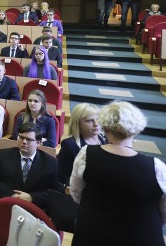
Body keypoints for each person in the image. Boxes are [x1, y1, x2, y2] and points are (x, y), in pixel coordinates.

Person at [70, 101, 166, 246]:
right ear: (137, 128)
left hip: (92, 236)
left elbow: (77, 194)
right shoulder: (157, 167)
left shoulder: (86, 155)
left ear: (106, 128)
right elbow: (163, 212)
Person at [0, 123, 63, 210]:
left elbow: (57, 192)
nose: (24, 142)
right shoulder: (3, 155)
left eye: (29, 140)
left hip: (35, 208)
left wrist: (32, 197)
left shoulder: (51, 163)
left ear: (38, 143)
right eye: (21, 137)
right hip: (5, 203)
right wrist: (12, 195)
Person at [57, 103, 106, 186]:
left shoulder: (106, 140)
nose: (96, 124)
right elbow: (63, 177)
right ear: (78, 123)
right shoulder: (70, 145)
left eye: (98, 119)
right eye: (90, 120)